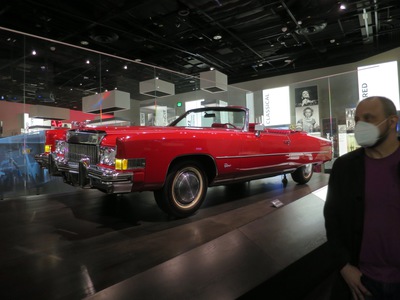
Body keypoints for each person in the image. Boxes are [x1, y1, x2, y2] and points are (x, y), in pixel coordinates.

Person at [323, 96, 400, 300]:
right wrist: (344, 266)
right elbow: (333, 221)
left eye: (369, 118)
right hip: (361, 282)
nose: (360, 125)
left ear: (392, 121)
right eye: (357, 120)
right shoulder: (344, 167)